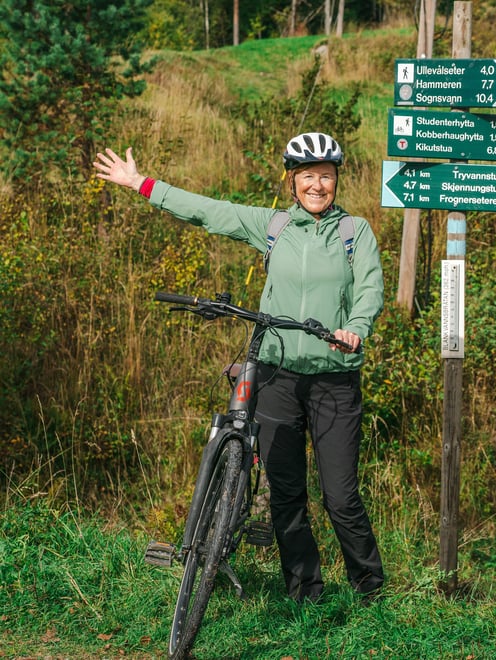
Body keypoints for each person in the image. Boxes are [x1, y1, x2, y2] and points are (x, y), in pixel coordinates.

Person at [94, 132, 386, 604]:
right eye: (307, 176)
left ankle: (371, 590)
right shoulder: (271, 226)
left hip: (335, 378)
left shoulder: (355, 232)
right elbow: (208, 211)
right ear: (291, 182)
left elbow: (370, 288)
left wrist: (354, 326)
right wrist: (142, 184)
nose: (317, 185)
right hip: (276, 376)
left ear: (336, 181)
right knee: (287, 493)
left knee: (341, 496)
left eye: (326, 177)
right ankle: (305, 594)